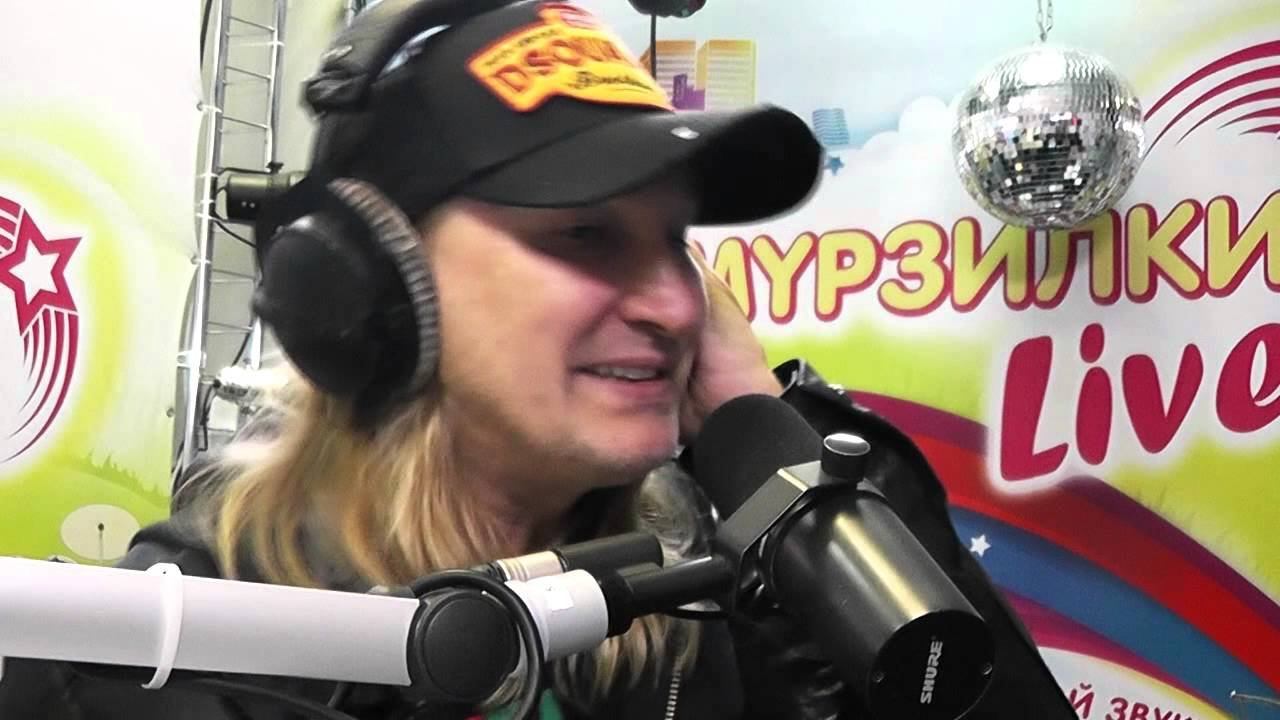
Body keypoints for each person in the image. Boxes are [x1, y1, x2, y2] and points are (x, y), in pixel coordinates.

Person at [0, 1, 1077, 718]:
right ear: (374, 290)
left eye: (674, 242)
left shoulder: (700, 604)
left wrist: (771, 448)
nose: (674, 304)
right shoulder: (190, 643)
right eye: (585, 234)